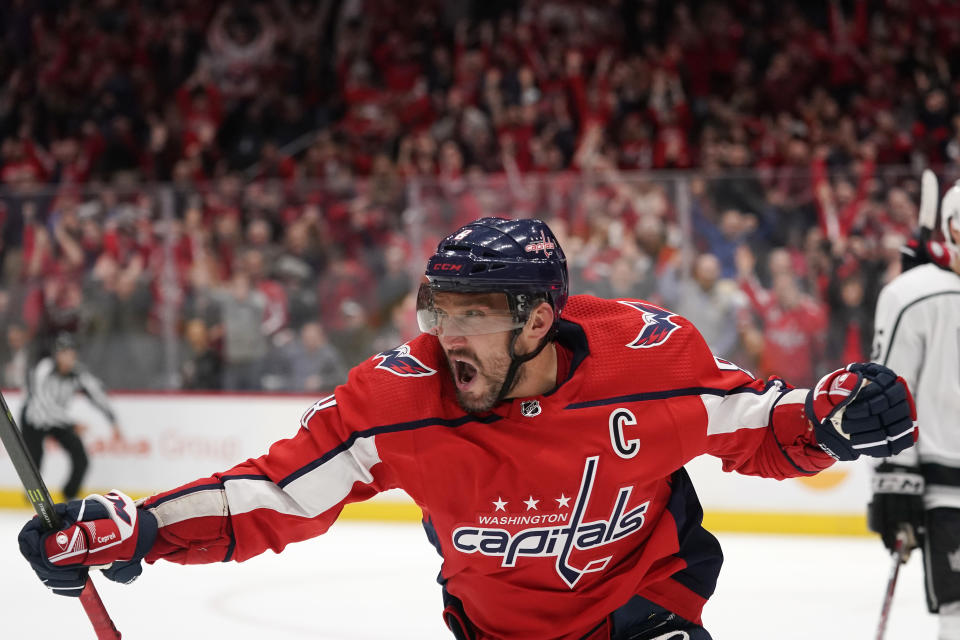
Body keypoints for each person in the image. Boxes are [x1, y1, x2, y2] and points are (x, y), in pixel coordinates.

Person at [18, 217, 918, 639]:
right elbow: (278, 494)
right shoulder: (399, 398)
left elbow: (757, 425)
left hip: (641, 615)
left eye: (472, 316)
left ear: (537, 321)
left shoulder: (645, 364)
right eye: (436, 312)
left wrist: (832, 418)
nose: (445, 337)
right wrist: (138, 528)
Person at [868, 184, 960, 640]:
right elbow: (891, 391)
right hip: (950, 491)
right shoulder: (916, 295)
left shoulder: (914, 292)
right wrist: (895, 481)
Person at [19, 332, 122, 501]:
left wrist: (113, 420)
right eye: (63, 353)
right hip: (34, 419)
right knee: (34, 461)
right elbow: (43, 403)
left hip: (59, 421)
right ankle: (34, 499)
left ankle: (69, 495)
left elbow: (97, 394)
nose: (68, 357)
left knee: (81, 459)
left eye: (71, 353)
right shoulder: (44, 368)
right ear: (56, 355)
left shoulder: (78, 373)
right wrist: (72, 424)